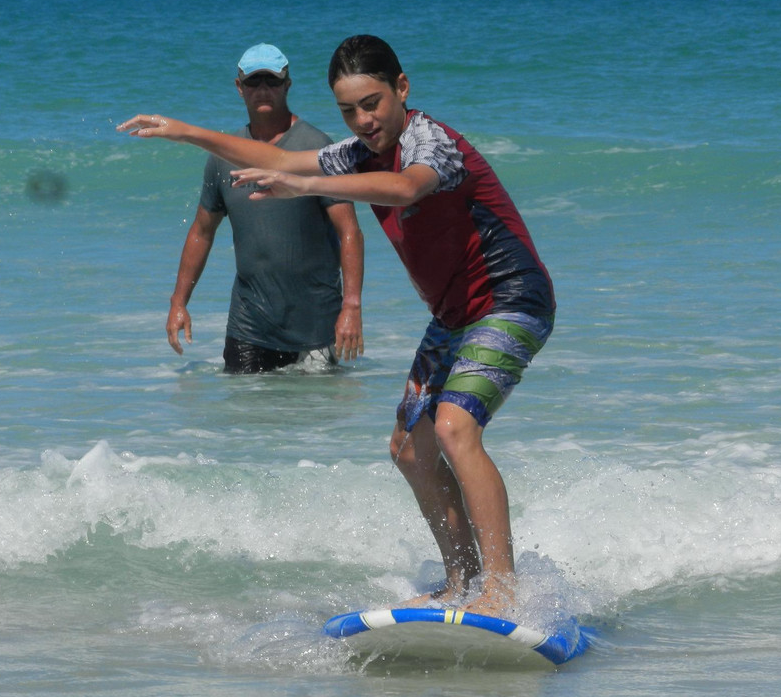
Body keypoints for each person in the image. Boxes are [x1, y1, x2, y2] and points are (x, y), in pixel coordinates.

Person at [118, 35, 555, 616]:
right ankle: (463, 582)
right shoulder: (359, 152)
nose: (363, 120)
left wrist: (308, 184)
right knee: (407, 448)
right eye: (349, 110)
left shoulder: (434, 142)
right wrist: (184, 130)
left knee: (454, 428)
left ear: (402, 88)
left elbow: (404, 189)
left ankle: (502, 591)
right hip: (454, 316)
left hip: (510, 300)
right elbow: (276, 158)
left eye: (372, 103)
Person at [166, 43, 364, 374]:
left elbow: (349, 232)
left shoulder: (316, 148)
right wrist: (178, 303)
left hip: (316, 328)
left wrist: (352, 307)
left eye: (272, 82)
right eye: (254, 82)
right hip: (249, 325)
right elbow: (202, 231)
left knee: (316, 423)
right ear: (239, 87)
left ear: (287, 85)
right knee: (245, 419)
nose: (263, 90)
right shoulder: (222, 156)